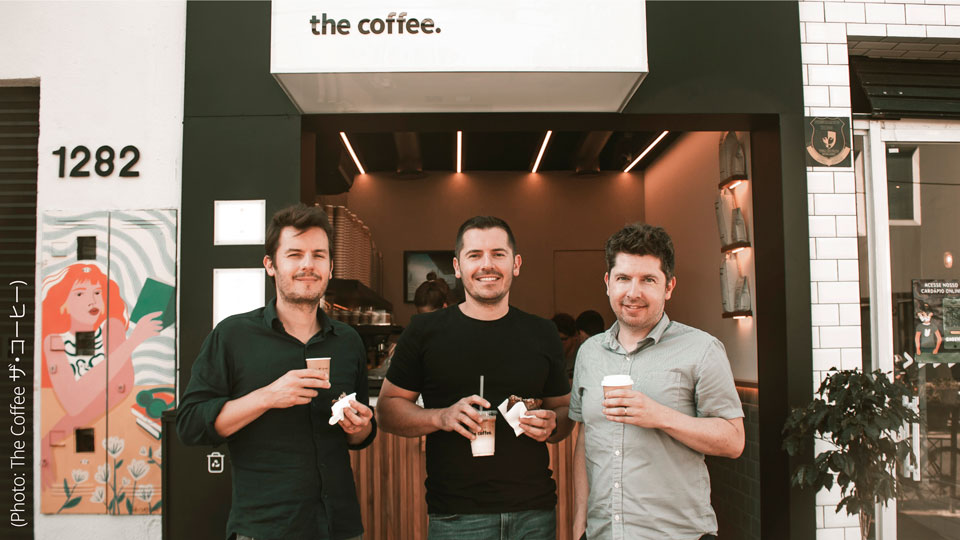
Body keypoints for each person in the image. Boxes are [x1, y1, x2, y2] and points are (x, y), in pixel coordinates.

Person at [177, 204, 375, 540]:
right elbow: (191, 424)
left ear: (330, 267)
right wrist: (267, 397)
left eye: (318, 255)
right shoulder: (232, 336)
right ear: (271, 265)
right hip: (265, 528)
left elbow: (360, 438)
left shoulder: (348, 341)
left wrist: (361, 425)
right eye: (295, 254)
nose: (308, 265)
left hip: (339, 527)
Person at [376, 216, 573, 539]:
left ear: (516, 263)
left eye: (498, 254)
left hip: (534, 512)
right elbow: (386, 411)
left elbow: (564, 413)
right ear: (457, 266)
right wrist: (441, 417)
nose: (487, 265)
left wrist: (553, 424)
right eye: (474, 255)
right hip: (456, 515)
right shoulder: (424, 332)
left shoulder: (543, 332)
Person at [570, 223, 744, 540]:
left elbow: (734, 441)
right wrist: (579, 523)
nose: (633, 292)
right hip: (602, 534)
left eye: (648, 280)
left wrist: (660, 415)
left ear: (669, 287)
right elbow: (585, 439)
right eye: (623, 278)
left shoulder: (702, 349)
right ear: (608, 282)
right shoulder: (589, 353)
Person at [40, 262, 163, 490]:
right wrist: (133, 341)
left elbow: (121, 386)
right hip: (75, 439)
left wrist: (50, 438)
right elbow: (74, 403)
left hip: (123, 435)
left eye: (97, 292)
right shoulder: (54, 341)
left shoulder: (112, 329)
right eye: (79, 293)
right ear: (63, 304)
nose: (92, 300)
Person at [551, 312, 579, 378]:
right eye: (554, 339)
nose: (557, 343)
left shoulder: (584, 357)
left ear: (575, 337)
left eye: (563, 339)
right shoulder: (550, 357)